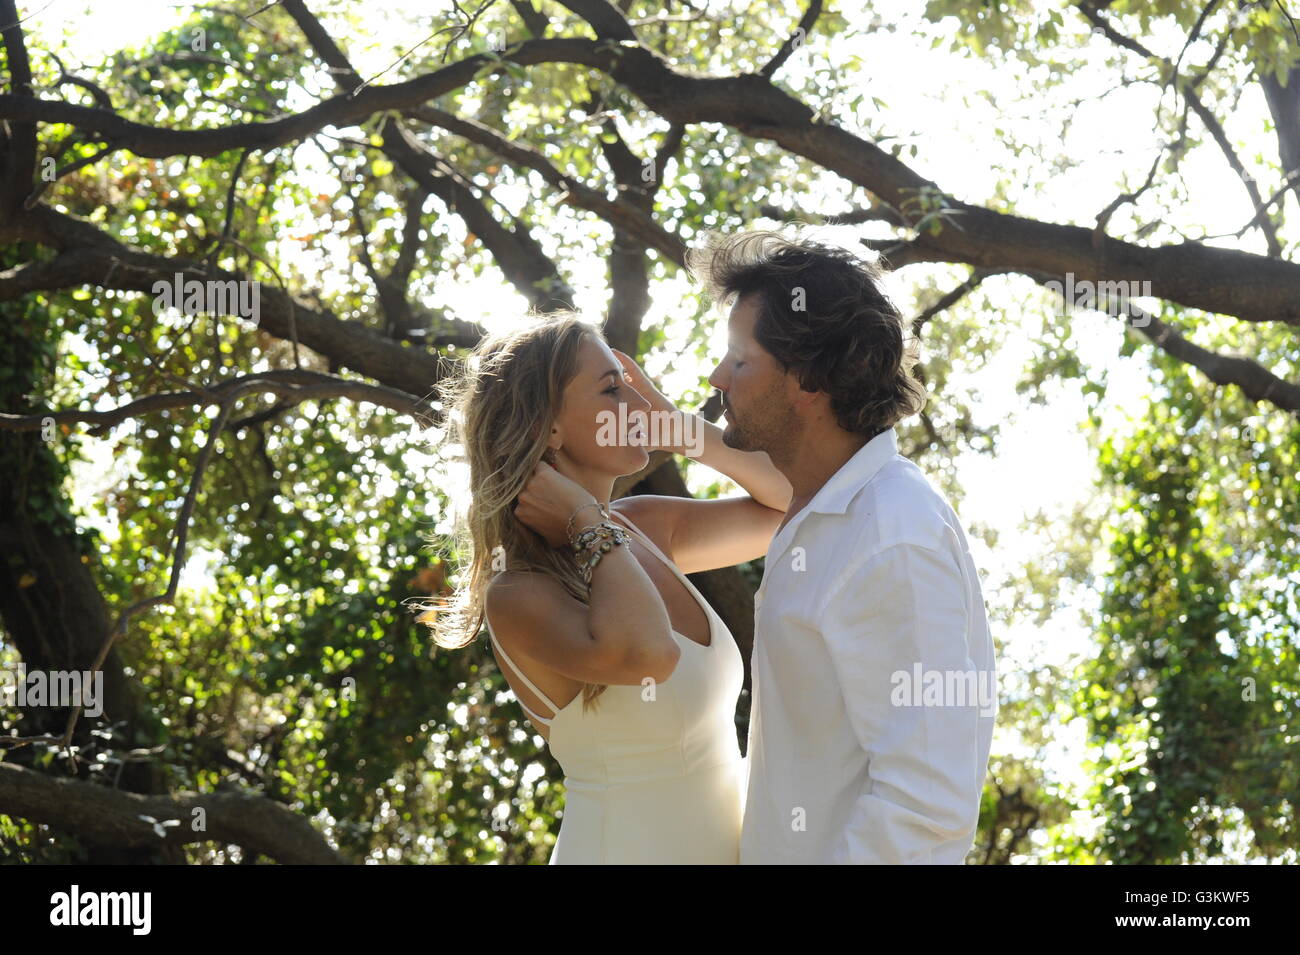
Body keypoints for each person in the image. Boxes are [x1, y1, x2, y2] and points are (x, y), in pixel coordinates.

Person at [419, 311, 791, 864]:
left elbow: (789, 501)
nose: (636, 407)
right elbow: (650, 656)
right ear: (549, 427)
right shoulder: (518, 592)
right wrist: (585, 521)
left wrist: (678, 426)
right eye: (612, 389)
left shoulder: (646, 527)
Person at [690, 229, 998, 864]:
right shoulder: (821, 513)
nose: (718, 376)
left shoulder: (892, 533)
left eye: (740, 360)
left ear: (807, 378)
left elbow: (928, 809)